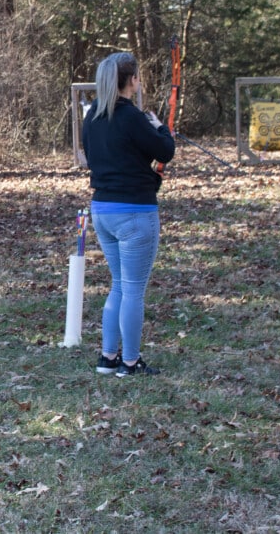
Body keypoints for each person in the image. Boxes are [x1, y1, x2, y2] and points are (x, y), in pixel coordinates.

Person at [81, 52, 175, 377]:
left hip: (102, 210)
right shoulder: (132, 116)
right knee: (132, 288)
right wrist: (162, 128)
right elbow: (165, 151)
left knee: (119, 284)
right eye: (137, 77)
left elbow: (94, 156)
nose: (139, 82)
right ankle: (130, 362)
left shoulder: (92, 114)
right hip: (134, 212)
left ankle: (108, 358)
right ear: (131, 80)